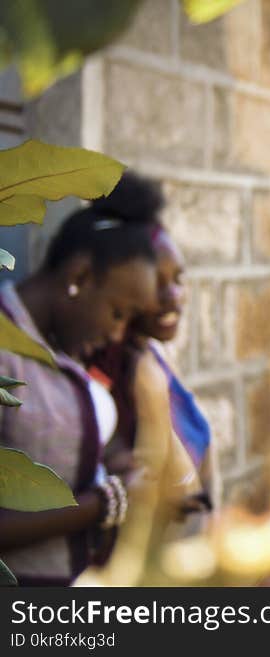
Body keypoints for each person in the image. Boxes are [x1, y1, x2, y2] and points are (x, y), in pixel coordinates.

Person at [0, 183, 158, 585]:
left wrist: (112, 463)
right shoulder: (6, 347)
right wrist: (103, 502)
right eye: (118, 313)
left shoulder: (61, 348)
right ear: (80, 276)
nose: (117, 333)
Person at [77, 172, 211, 586]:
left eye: (178, 279)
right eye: (158, 282)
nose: (173, 295)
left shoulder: (150, 359)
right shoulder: (116, 376)